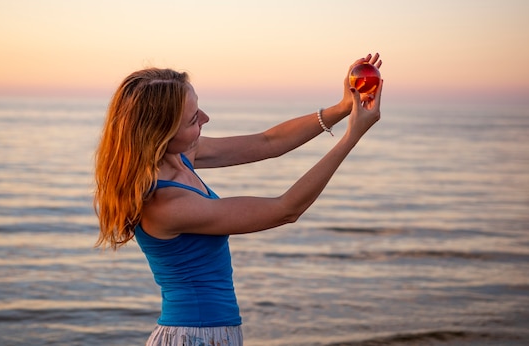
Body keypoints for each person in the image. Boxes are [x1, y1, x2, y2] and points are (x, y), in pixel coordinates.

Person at [94, 53, 383, 346]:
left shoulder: (180, 157)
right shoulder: (166, 204)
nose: (206, 118)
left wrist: (343, 108)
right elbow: (285, 209)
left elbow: (268, 142)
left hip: (209, 333)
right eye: (194, 119)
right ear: (161, 133)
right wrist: (352, 136)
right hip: (194, 337)